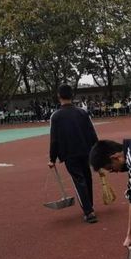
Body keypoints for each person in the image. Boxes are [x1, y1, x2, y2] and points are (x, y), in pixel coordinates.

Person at [48, 84, 98, 224]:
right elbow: (92, 134)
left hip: (69, 153)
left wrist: (52, 158)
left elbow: (54, 139)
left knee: (79, 181)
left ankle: (89, 212)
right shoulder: (82, 113)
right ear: (72, 96)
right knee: (87, 178)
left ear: (59, 96)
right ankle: (90, 206)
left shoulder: (56, 116)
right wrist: (96, 151)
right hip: (85, 151)